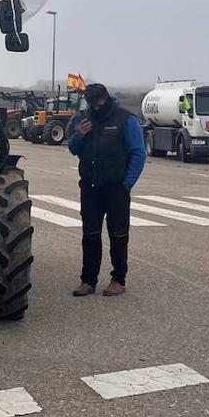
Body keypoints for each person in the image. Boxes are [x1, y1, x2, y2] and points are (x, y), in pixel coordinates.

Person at [67, 83, 146, 297]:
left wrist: (126, 184)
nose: (95, 106)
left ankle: (118, 280)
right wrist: (78, 135)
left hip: (116, 188)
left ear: (106, 98)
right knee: (90, 235)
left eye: (98, 102)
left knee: (118, 235)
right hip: (90, 188)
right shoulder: (82, 119)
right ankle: (88, 281)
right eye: (91, 103)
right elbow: (73, 149)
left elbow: (138, 154)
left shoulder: (125, 120)